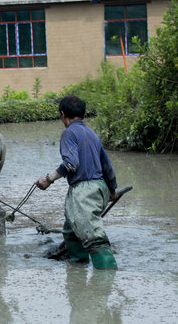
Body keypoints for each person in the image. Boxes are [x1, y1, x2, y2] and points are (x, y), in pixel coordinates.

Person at [36, 95, 118, 270]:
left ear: (63, 114)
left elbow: (71, 164)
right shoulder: (92, 134)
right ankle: (77, 270)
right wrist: (112, 190)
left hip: (84, 190)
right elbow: (107, 166)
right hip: (100, 186)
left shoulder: (69, 133)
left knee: (93, 237)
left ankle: (107, 276)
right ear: (83, 114)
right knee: (70, 232)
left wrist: (49, 179)